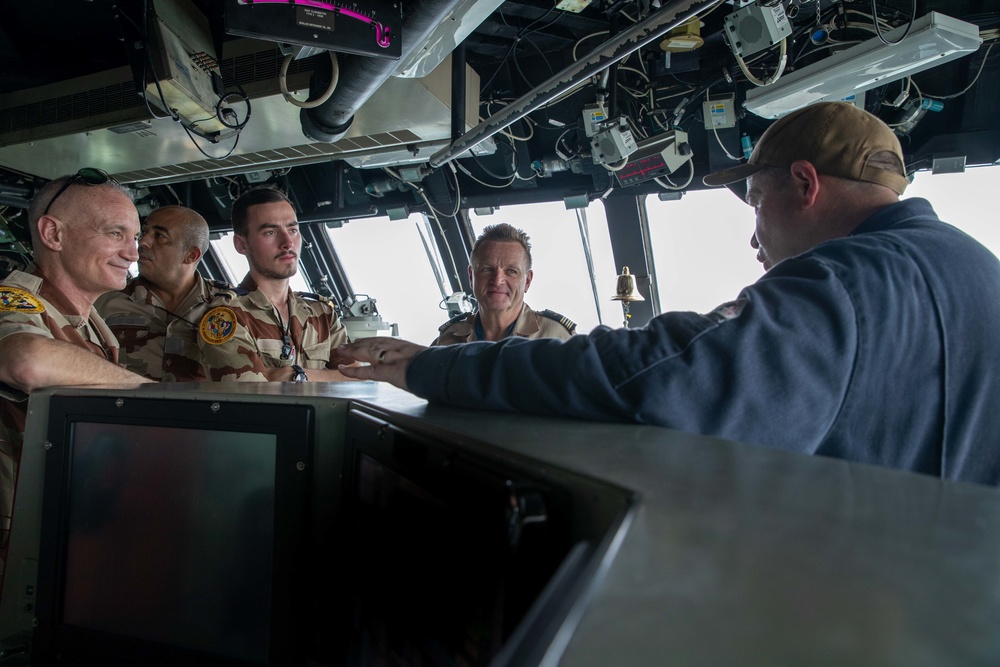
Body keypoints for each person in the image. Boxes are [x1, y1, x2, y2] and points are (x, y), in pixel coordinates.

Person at [337, 101, 1000, 486]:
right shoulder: (978, 269)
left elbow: (664, 377)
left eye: (756, 202)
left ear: (805, 184)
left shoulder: (844, 279)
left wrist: (431, 366)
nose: (754, 239)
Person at [0, 168, 154, 573]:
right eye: (115, 233)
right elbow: (26, 360)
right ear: (53, 235)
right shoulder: (13, 300)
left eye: (135, 237)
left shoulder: (93, 326)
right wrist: (150, 392)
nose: (133, 253)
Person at [198, 186, 353, 382]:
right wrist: (328, 377)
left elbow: (358, 377)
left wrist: (294, 376)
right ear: (241, 244)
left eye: (293, 229)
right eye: (270, 232)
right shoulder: (225, 317)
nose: (287, 242)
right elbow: (252, 391)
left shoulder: (322, 313)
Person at [96, 205, 232, 381]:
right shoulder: (105, 301)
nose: (143, 242)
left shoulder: (231, 305)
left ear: (191, 255)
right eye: (144, 233)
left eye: (159, 236)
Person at [432, 223, 576, 345]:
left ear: (527, 281)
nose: (497, 280)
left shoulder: (559, 338)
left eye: (511, 271)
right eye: (487, 269)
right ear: (471, 276)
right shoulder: (447, 340)